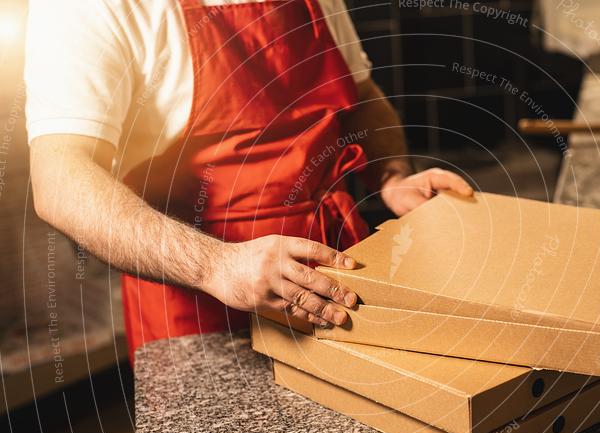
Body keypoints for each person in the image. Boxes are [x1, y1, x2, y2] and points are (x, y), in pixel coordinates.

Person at [25, 0, 473, 363]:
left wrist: (392, 175)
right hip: (199, 305)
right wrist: (216, 266)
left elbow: (362, 94)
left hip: (337, 280)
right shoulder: (87, 8)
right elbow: (59, 178)